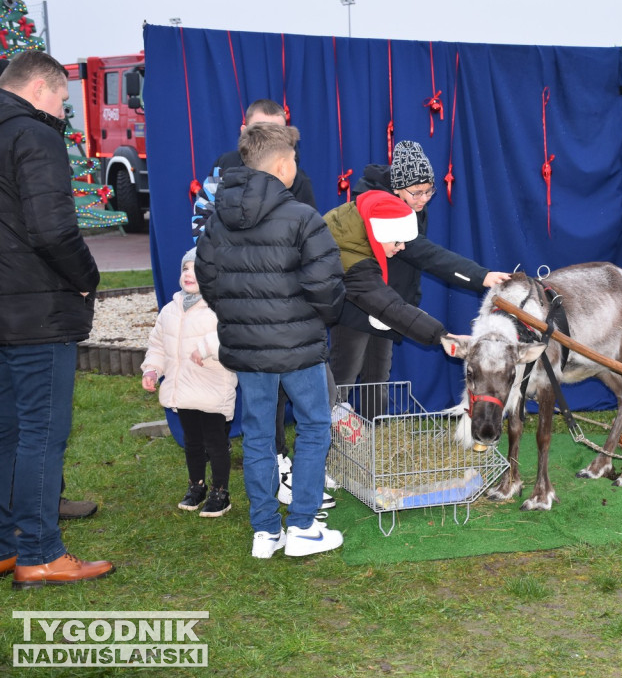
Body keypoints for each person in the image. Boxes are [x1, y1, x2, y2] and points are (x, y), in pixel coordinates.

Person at [195, 122, 346, 559]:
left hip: (247, 350)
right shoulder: (302, 218)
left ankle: (265, 532)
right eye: (295, 159)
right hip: (299, 347)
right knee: (315, 427)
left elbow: (208, 277)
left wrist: (240, 315)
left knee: (260, 434)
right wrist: (318, 318)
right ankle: (302, 526)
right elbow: (327, 288)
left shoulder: (217, 220)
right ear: (283, 165)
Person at [0, 50, 114, 587]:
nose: (63, 108)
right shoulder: (35, 135)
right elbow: (52, 231)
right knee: (41, 435)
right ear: (42, 87)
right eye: (64, 97)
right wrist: (88, 276)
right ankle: (40, 552)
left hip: (8, 306)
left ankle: (6, 544)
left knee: (7, 431)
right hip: (37, 310)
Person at [330, 140, 509, 411]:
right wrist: (479, 276)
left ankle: (370, 435)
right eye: (417, 192)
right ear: (397, 187)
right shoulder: (385, 211)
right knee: (343, 374)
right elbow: (425, 253)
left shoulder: (413, 206)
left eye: (429, 191)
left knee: (378, 377)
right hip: (359, 304)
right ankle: (329, 436)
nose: (424, 199)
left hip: (393, 306)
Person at [324, 190, 459, 396]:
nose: (402, 247)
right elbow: (391, 307)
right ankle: (324, 425)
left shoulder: (357, 225)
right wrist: (442, 336)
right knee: (337, 378)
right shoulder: (354, 260)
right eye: (397, 241)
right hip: (291, 323)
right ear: (380, 233)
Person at [141, 248, 238, 517]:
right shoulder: (170, 310)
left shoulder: (220, 307)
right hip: (182, 389)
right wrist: (151, 370)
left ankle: (221, 491)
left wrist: (206, 347)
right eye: (185, 268)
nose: (189, 274)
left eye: (197, 269)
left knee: (216, 442)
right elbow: (158, 345)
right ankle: (197, 485)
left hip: (212, 388)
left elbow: (233, 335)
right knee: (192, 441)